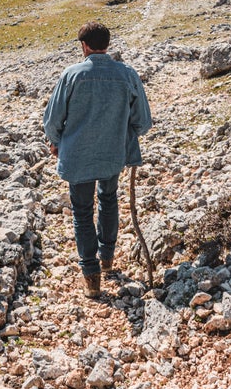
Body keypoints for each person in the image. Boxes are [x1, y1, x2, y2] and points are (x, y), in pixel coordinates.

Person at [43, 20, 152, 298]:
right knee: (108, 199)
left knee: (82, 211)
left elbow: (53, 119)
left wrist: (56, 143)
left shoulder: (71, 74)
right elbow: (143, 122)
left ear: (84, 46)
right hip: (113, 152)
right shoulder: (126, 74)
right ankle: (107, 258)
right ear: (107, 44)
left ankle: (91, 277)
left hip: (77, 155)